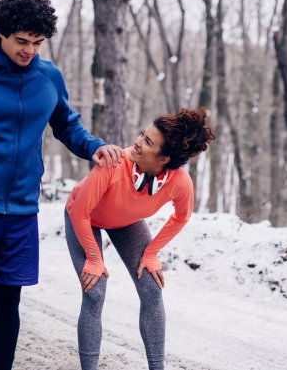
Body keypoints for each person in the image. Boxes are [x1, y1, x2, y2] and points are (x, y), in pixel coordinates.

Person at [0, 0, 122, 370]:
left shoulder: (48, 78)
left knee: (9, 300)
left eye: (37, 42)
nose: (29, 50)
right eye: (21, 41)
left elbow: (66, 123)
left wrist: (93, 147)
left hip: (20, 209)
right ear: (1, 32)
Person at [65, 108, 215, 370]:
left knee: (151, 288)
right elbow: (81, 213)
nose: (136, 142)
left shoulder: (180, 183)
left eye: (148, 142)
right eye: (141, 134)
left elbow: (180, 218)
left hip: (126, 222)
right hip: (83, 218)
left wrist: (150, 253)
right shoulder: (112, 163)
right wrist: (93, 257)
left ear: (164, 158)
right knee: (95, 291)